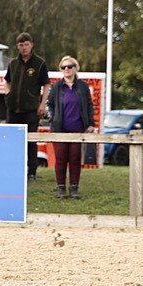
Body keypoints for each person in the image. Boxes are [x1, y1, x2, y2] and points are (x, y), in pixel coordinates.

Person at [47, 56, 96, 200]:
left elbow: (89, 105)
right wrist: (52, 118)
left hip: (77, 128)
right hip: (59, 129)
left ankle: (74, 188)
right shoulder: (56, 87)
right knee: (60, 159)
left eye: (69, 66)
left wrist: (90, 124)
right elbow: (49, 105)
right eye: (63, 67)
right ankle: (61, 188)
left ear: (75, 68)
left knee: (75, 158)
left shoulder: (83, 86)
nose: (66, 69)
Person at [3, 32, 50, 182]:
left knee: (30, 141)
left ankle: (32, 172)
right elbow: (7, 80)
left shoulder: (39, 63)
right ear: (18, 46)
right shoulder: (13, 63)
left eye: (26, 44)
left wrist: (42, 103)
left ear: (31, 45)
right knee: (13, 141)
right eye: (21, 45)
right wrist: (8, 94)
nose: (24, 47)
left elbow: (46, 84)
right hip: (13, 109)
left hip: (31, 109)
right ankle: (13, 169)